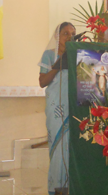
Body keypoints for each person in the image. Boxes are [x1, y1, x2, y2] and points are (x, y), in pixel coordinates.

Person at [38, 22, 76, 195]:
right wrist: (58, 66)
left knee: (70, 146)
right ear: (57, 37)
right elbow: (42, 82)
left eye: (72, 33)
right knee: (58, 146)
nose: (69, 37)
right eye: (65, 34)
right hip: (55, 108)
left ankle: (70, 186)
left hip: (73, 107)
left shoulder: (77, 55)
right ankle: (56, 188)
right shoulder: (49, 55)